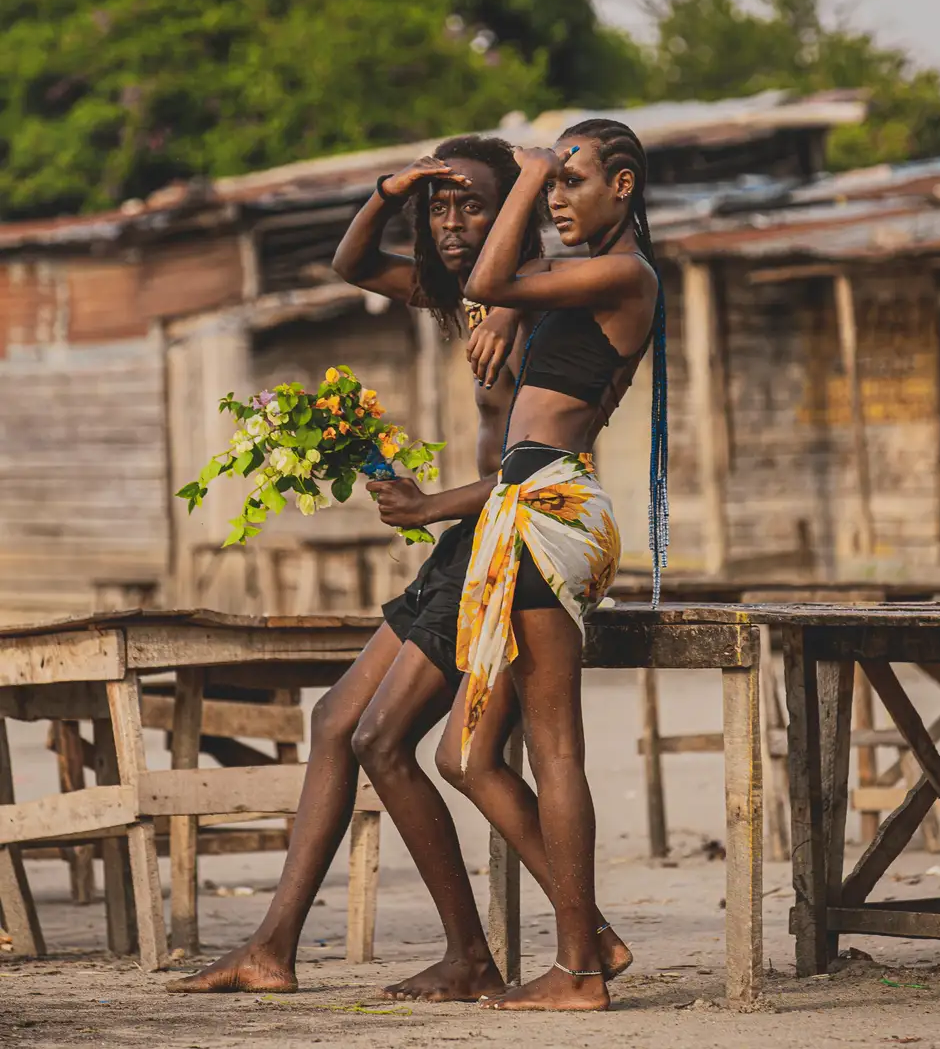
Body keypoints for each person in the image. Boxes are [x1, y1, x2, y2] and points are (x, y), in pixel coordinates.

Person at [168, 134, 630, 1002]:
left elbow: (531, 466)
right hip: (471, 535)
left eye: (473, 206)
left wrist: (429, 507)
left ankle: (557, 940)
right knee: (337, 719)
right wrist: (392, 187)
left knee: (385, 737)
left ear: (518, 210)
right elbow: (351, 262)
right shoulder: (477, 292)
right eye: (441, 208)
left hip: (503, 526)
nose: (451, 223)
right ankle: (279, 946)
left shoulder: (538, 295)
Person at [434, 118, 669, 1012]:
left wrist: (524, 175)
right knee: (466, 753)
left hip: (549, 512)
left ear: (624, 186)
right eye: (553, 183)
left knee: (555, 745)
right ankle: (591, 934)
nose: (558, 199)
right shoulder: (578, 280)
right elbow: (492, 288)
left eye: (572, 182)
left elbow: (495, 276)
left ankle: (577, 971)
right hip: (523, 505)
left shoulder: (627, 272)